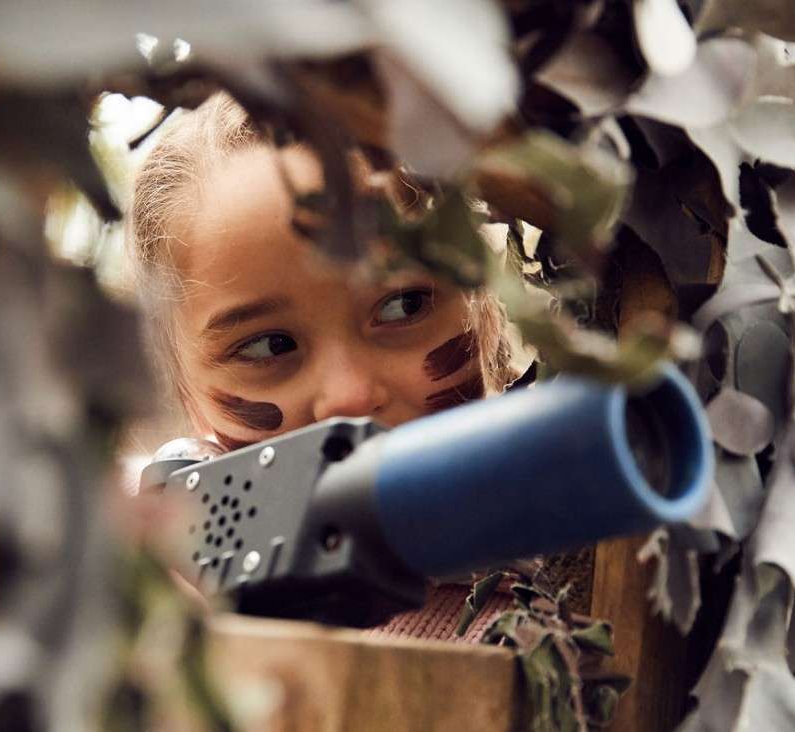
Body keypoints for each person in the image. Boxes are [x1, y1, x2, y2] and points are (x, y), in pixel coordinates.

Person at [125, 92, 522, 641]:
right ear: (183, 392)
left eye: (403, 305)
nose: (349, 397)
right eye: (268, 347)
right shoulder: (159, 625)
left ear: (487, 308)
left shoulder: (585, 571)